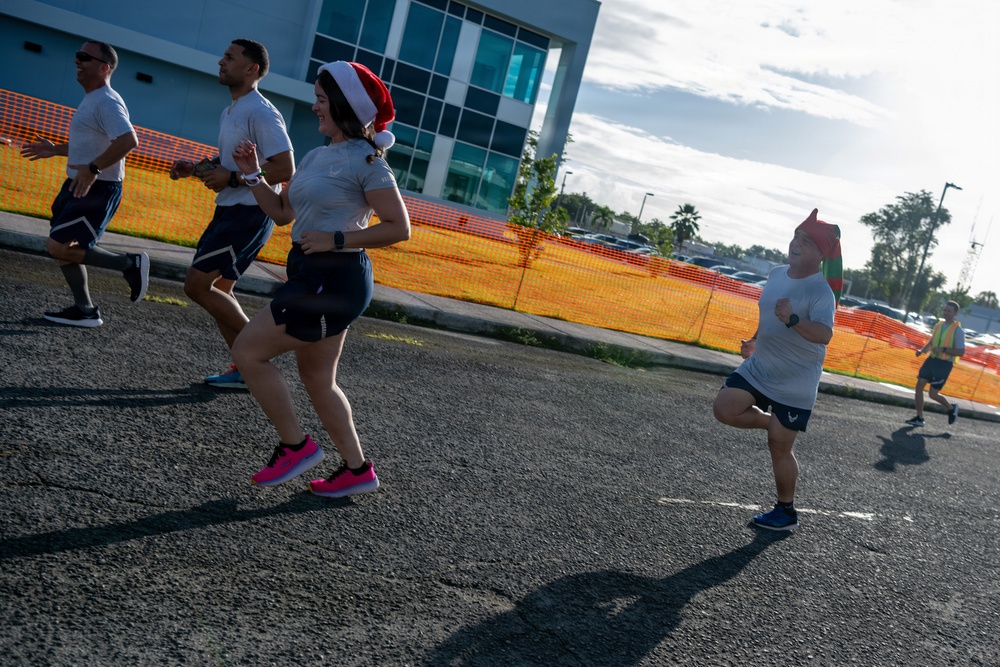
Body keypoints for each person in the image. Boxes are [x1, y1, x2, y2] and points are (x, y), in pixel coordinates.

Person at [230, 60, 409, 497]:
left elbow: (398, 227)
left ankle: (296, 447)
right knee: (317, 378)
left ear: (346, 106)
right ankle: (357, 471)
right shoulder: (315, 156)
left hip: (335, 278)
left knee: (248, 352)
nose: (315, 107)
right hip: (312, 271)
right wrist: (253, 174)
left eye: (323, 100)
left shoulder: (369, 162)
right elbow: (280, 212)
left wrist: (337, 238)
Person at [169, 39, 294, 389]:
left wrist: (236, 178)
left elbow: (284, 167)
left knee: (197, 285)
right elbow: (229, 168)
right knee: (221, 291)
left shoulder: (261, 111)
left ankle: (260, 354)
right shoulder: (232, 110)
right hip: (230, 210)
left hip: (250, 213)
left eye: (229, 57)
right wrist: (194, 168)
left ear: (252, 69)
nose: (220, 61)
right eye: (223, 55)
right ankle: (244, 370)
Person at [712, 209, 840, 531]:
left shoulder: (820, 292)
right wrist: (755, 340)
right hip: (760, 367)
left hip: (794, 383)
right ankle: (774, 422)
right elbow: (766, 315)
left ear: (820, 254)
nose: (796, 243)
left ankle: (786, 512)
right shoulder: (775, 273)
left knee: (779, 447)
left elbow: (824, 336)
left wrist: (793, 319)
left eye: (806, 241)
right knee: (724, 408)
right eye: (796, 236)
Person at [20, 41, 149, 327]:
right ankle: (85, 310)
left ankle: (130, 264)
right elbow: (92, 144)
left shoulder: (107, 100)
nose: (77, 61)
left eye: (84, 57)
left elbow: (129, 140)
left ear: (104, 67)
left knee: (59, 246)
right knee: (64, 248)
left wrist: (92, 169)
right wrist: (55, 150)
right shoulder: (92, 99)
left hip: (97, 187)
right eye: (77, 55)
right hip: (79, 182)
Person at [906, 301, 965, 427]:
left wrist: (943, 350)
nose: (946, 312)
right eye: (945, 310)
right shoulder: (938, 325)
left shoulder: (958, 331)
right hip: (931, 360)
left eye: (949, 311)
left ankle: (951, 409)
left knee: (933, 394)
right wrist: (922, 350)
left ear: (955, 313)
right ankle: (919, 418)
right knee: (919, 384)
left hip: (944, 365)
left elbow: (961, 352)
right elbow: (932, 342)